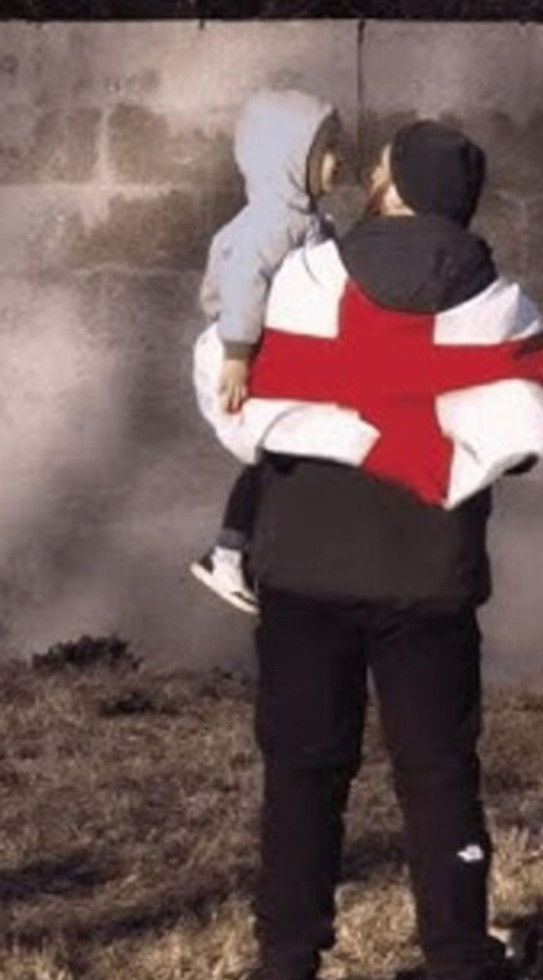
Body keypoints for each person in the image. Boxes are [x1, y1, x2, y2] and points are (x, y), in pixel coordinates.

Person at [228, 121, 543, 980]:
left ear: (397, 186)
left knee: (301, 768)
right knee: (440, 772)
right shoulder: (503, 302)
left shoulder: (306, 276)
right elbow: (522, 436)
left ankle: (285, 969)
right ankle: (456, 971)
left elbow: (254, 391)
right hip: (430, 573)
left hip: (305, 563)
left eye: (379, 169)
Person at [189, 88, 342, 615]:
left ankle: (240, 553)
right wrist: (238, 353)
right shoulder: (270, 223)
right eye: (325, 151)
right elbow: (243, 283)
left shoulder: (305, 220)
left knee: (283, 454)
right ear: (288, 159)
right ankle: (229, 555)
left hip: (266, 349)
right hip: (242, 351)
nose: (338, 161)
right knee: (277, 451)